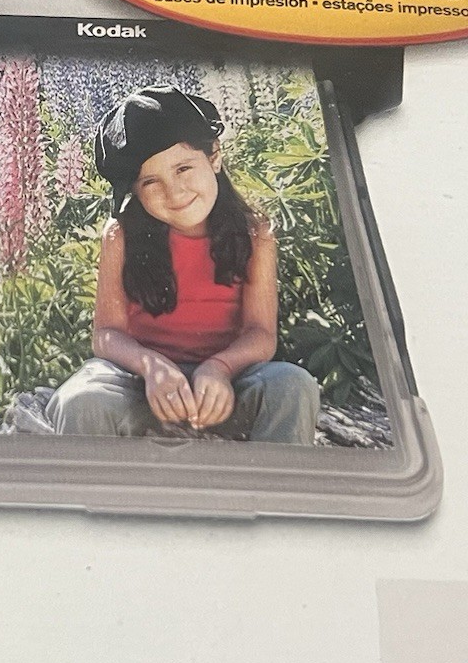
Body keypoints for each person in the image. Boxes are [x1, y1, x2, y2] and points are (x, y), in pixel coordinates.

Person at [47, 86, 321, 445]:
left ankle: (274, 483)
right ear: (135, 190)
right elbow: (106, 335)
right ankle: (93, 483)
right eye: (150, 181)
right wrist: (151, 367)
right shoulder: (120, 234)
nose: (174, 192)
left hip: (225, 387)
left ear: (214, 156)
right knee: (79, 399)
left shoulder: (256, 234)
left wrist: (220, 368)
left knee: (294, 385)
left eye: (183, 168)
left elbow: (261, 334)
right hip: (141, 383)